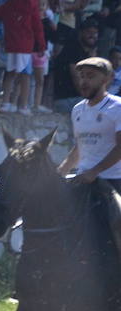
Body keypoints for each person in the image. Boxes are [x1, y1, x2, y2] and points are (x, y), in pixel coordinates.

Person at [58, 55, 121, 255]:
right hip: (84, 181)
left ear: (106, 79)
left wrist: (95, 172)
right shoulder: (77, 110)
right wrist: (61, 170)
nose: (84, 81)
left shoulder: (117, 107)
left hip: (114, 181)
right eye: (82, 76)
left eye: (90, 76)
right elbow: (80, 147)